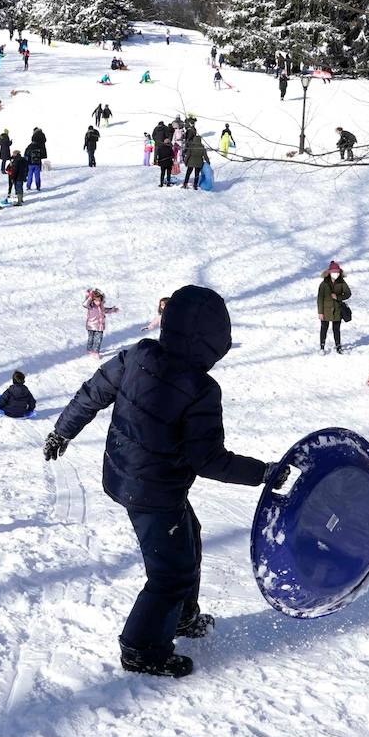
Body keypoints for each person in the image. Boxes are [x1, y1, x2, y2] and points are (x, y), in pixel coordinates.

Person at [43, 285, 283, 677]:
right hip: (153, 491)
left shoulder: (139, 354)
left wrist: (62, 430)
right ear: (212, 342)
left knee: (190, 534)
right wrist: (262, 472)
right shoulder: (201, 389)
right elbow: (208, 460)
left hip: (127, 475)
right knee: (171, 574)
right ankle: (141, 648)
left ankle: (183, 618)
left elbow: (93, 392)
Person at [317, 260, 351, 354]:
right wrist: (320, 312)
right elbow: (319, 299)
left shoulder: (342, 282)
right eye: (333, 272)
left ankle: (338, 347)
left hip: (337, 310)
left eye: (337, 272)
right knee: (324, 328)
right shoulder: (324, 284)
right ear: (329, 272)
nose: (335, 274)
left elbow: (348, 293)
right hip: (325, 310)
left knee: (336, 329)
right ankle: (322, 347)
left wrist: (338, 297)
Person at [84, 289, 120, 357]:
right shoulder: (91, 306)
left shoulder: (101, 307)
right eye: (96, 300)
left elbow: (105, 310)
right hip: (91, 326)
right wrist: (90, 296)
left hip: (99, 327)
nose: (98, 302)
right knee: (91, 338)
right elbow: (85, 304)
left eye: (99, 300)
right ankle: (89, 350)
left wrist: (112, 310)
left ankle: (95, 352)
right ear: (92, 300)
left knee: (98, 339)